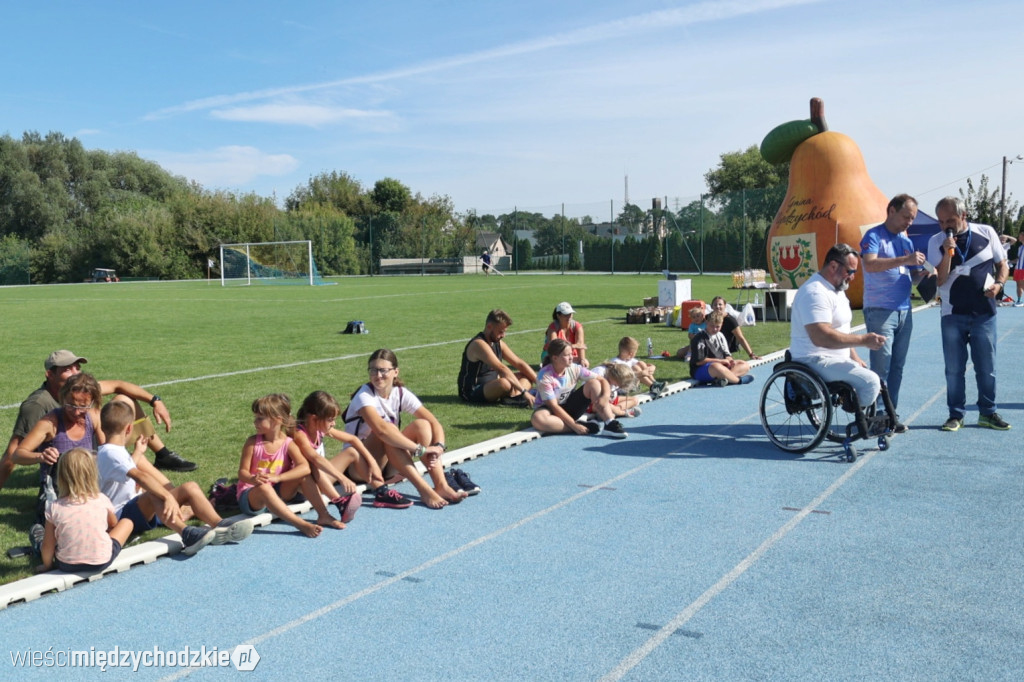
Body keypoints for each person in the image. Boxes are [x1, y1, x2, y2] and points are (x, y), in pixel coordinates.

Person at [1, 349, 195, 495]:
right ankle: (172, 495)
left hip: (93, 456)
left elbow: (119, 385)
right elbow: (13, 453)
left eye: (77, 367)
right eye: (67, 369)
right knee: (129, 466)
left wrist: (155, 400)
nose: (75, 372)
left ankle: (164, 459)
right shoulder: (38, 406)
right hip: (70, 472)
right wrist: (40, 457)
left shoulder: (82, 390)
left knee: (125, 401)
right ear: (50, 375)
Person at [97, 400, 254, 555]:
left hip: (137, 509)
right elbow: (141, 476)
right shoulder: (112, 453)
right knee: (153, 493)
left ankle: (219, 524)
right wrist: (167, 496)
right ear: (129, 428)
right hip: (121, 516)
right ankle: (186, 534)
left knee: (190, 487)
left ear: (102, 427)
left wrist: (138, 451)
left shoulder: (112, 451)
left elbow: (124, 466)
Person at [343, 349, 469, 509]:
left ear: (395, 372)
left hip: (387, 464)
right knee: (388, 431)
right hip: (359, 467)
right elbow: (381, 430)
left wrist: (438, 446)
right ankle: (424, 490)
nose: (378, 375)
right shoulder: (364, 395)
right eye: (373, 370)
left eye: (383, 370)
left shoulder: (400, 393)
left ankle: (441, 485)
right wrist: (421, 450)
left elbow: (434, 422)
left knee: (422, 425)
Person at [927, 196, 1011, 431]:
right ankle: (956, 414)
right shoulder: (936, 242)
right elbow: (939, 279)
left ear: (964, 216)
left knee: (987, 367)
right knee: (954, 369)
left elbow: (1002, 264)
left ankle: (988, 412)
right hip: (952, 315)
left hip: (985, 313)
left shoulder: (986, 232)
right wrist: (947, 253)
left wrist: (1000, 285)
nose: (946, 226)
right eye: (942, 222)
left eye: (950, 220)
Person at [859, 193, 930, 432]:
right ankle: (877, 416)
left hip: (904, 311)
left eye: (912, 218)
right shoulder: (873, 235)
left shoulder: (905, 239)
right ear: (891, 210)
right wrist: (906, 259)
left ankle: (891, 414)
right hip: (880, 310)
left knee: (897, 366)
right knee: (882, 367)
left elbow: (911, 273)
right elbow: (869, 264)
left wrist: (924, 273)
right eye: (906, 216)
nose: (909, 222)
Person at [789, 243, 885, 409]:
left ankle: (874, 418)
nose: (852, 277)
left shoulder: (837, 290)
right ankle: (857, 420)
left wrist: (854, 357)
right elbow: (821, 336)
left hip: (833, 358)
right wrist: (863, 340)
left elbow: (842, 331)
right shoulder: (815, 293)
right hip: (813, 360)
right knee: (871, 382)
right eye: (850, 271)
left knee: (877, 381)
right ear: (833, 266)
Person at [291, 390, 413, 514]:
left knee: (351, 452)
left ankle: (381, 491)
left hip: (320, 479)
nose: (334, 423)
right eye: (330, 420)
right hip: (303, 487)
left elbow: (353, 439)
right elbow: (316, 459)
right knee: (315, 464)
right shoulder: (299, 434)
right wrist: (342, 478)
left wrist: (372, 462)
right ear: (314, 419)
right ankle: (340, 503)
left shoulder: (319, 428)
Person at [236, 394, 324, 536]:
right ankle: (300, 524)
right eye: (255, 418)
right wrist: (253, 479)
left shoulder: (288, 443)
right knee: (264, 487)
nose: (255, 422)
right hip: (252, 496)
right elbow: (242, 473)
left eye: (260, 418)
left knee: (304, 477)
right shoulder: (252, 442)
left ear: (277, 420)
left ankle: (323, 514)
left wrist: (279, 478)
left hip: (278, 491)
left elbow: (304, 467)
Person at [37, 447, 134, 574]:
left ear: (61, 477)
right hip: (101, 561)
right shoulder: (101, 499)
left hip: (67, 564)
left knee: (52, 538)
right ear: (92, 474)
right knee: (127, 522)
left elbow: (48, 545)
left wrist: (47, 566)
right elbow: (113, 525)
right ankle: (96, 547)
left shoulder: (55, 506)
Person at [530, 338, 627, 438]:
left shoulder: (575, 368)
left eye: (571, 354)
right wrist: (574, 426)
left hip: (570, 407)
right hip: (550, 411)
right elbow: (554, 406)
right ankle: (583, 426)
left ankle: (610, 423)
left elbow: (602, 380)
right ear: (555, 358)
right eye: (567, 355)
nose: (571, 358)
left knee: (594, 383)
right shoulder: (544, 376)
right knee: (538, 419)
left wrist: (605, 397)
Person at [458, 309, 537, 406]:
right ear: (489, 326)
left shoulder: (498, 343)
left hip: (493, 383)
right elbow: (501, 368)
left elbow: (519, 363)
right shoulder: (479, 344)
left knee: (527, 375)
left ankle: (513, 399)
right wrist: (524, 392)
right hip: (472, 391)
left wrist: (541, 384)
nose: (503, 335)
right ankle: (518, 396)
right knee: (504, 383)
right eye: (500, 331)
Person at [689, 311, 754, 387]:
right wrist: (721, 361)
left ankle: (724, 379)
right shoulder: (699, 338)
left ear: (721, 325)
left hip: (721, 366)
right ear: (706, 323)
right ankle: (738, 381)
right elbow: (699, 362)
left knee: (744, 364)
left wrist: (730, 361)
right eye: (712, 326)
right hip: (701, 369)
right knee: (716, 366)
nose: (715, 329)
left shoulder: (720, 335)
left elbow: (727, 355)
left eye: (718, 326)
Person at [541, 302, 588, 367]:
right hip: (553, 355)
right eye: (566, 315)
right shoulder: (553, 327)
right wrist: (574, 346)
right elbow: (555, 346)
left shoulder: (577, 326)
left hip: (570, 355)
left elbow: (581, 345)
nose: (569, 317)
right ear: (558, 316)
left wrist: (582, 359)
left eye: (570, 314)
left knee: (585, 363)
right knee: (561, 363)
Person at [1009, 230, 1024, 306]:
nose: (1018, 237)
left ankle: (1020, 301)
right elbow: (1018, 258)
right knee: (1018, 285)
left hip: (1023, 269)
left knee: (1021, 285)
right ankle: (1019, 300)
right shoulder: (1020, 247)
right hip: (1018, 269)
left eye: (1020, 236)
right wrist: (1010, 262)